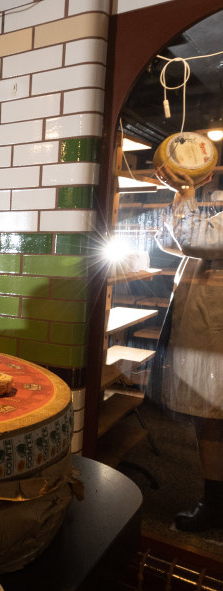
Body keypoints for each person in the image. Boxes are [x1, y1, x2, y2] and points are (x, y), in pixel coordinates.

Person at [151, 163, 223, 531]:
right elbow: (173, 241)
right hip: (209, 331)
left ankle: (215, 507)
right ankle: (215, 501)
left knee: (212, 420)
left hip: (217, 336)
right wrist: (182, 195)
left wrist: (187, 194)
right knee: (209, 420)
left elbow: (194, 239)